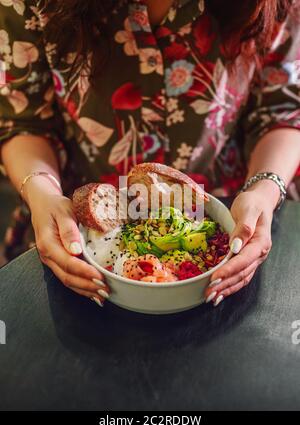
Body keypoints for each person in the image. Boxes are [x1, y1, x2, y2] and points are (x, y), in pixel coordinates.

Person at [0, 0, 300, 307]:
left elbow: (282, 110)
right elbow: (23, 120)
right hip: (74, 220)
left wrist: (263, 191)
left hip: (234, 211)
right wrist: (42, 195)